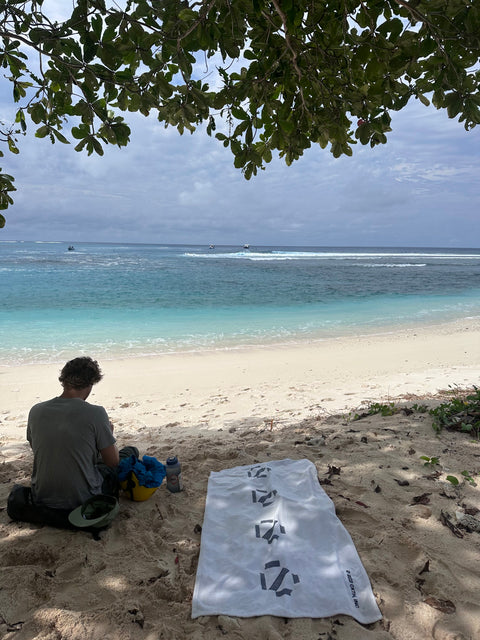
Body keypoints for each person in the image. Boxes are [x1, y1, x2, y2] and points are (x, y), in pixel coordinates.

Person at [26, 356, 137, 512]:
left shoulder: (36, 411)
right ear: (90, 383)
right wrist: (109, 436)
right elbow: (112, 461)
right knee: (130, 452)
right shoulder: (96, 413)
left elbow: (39, 448)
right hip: (84, 499)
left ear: (64, 380)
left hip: (41, 497)